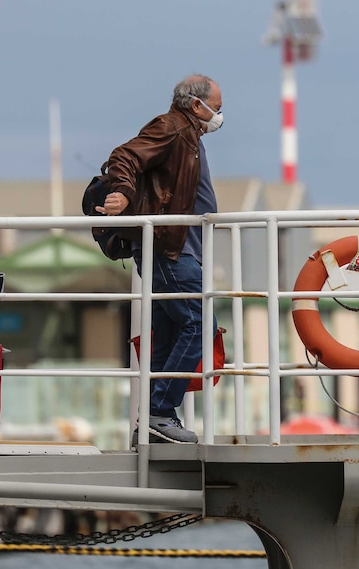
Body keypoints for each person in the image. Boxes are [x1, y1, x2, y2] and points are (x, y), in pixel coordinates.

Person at [100, 74, 224, 445]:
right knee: (199, 323)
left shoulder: (188, 135)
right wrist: (122, 192)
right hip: (170, 250)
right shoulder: (171, 127)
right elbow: (124, 156)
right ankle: (157, 413)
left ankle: (154, 420)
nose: (218, 116)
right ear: (195, 104)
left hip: (177, 249)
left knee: (172, 331)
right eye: (216, 108)